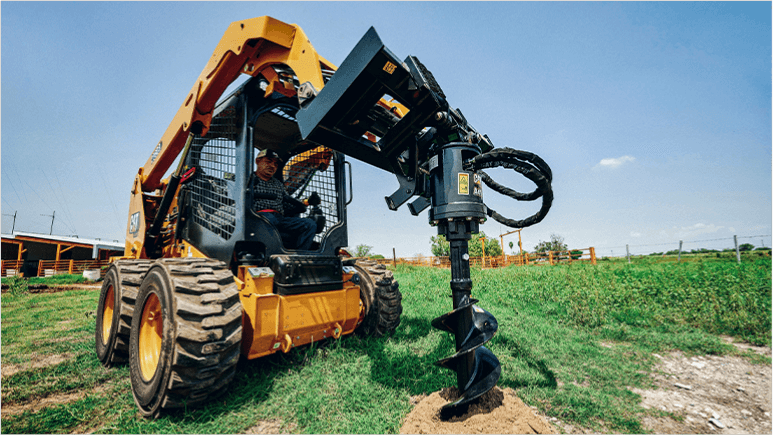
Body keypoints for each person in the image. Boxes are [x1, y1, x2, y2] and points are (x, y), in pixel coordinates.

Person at [251, 149, 316, 250]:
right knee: (269, 219)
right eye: (268, 161)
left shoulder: (278, 184)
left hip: (279, 218)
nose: (272, 166)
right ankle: (270, 252)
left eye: (275, 164)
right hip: (258, 217)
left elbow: (288, 201)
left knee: (309, 224)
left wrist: (307, 202)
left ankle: (300, 254)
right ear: (258, 161)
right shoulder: (249, 179)